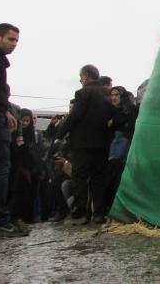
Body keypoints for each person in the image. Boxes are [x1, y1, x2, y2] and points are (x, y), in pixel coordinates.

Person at [56, 64, 112, 224]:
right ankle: (99, 213)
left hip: (82, 144)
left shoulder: (82, 93)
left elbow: (74, 116)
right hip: (102, 144)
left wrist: (60, 134)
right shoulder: (107, 93)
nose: (80, 80)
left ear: (86, 76)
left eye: (81, 77)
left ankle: (79, 213)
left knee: (80, 177)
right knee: (99, 179)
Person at [0, 23, 27, 237]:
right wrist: (3, 110)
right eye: (10, 39)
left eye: (16, 41)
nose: (14, 44)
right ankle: (0, 220)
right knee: (0, 168)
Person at [105, 86, 138, 211]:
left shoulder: (129, 109)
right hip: (116, 149)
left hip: (122, 149)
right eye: (112, 95)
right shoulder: (115, 110)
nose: (113, 98)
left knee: (117, 176)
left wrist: (114, 121)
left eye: (116, 95)